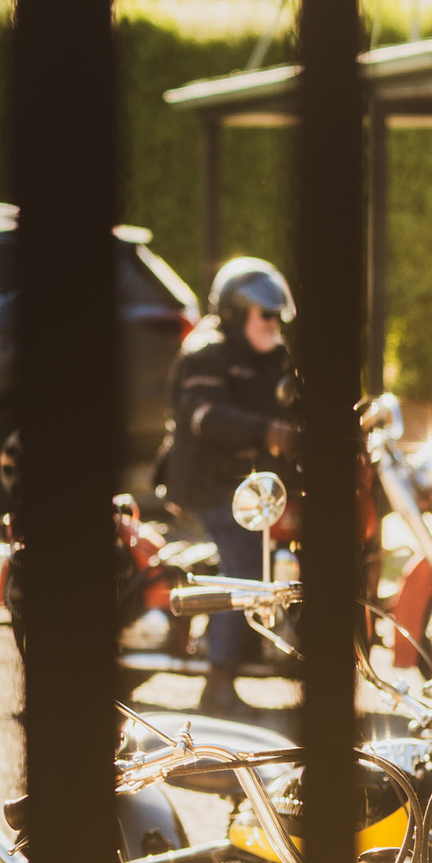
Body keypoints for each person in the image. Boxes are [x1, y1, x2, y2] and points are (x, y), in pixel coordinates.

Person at [157, 256, 301, 719]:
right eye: (266, 314)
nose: (274, 323)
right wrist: (268, 432)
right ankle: (218, 686)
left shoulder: (271, 356)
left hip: (254, 488)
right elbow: (205, 416)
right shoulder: (208, 352)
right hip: (209, 486)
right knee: (245, 562)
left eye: (278, 315)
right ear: (239, 313)